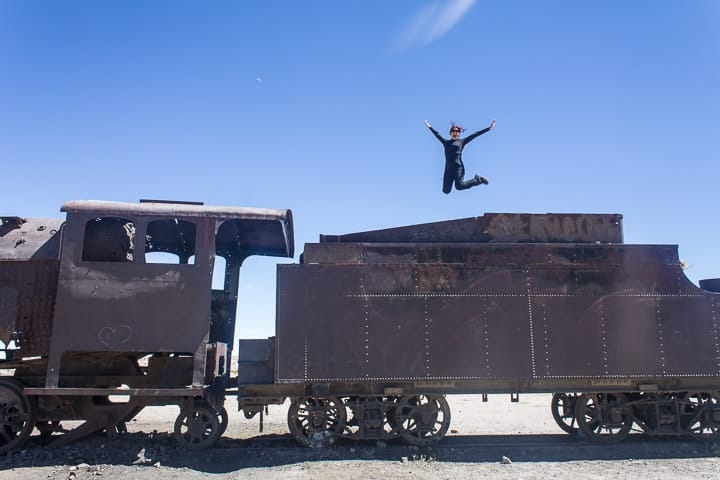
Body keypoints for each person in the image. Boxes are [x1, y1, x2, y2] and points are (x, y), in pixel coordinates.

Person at [425, 119, 496, 194]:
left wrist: (488, 128)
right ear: (450, 133)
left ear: (459, 134)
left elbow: (475, 135)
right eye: (453, 132)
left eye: (457, 132)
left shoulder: (461, 142)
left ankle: (478, 180)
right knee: (446, 191)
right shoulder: (446, 143)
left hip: (458, 168)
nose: (455, 133)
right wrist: (429, 127)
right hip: (448, 170)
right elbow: (437, 134)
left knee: (459, 186)